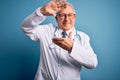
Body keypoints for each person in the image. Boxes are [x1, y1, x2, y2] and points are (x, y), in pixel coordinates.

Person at [21, 0, 98, 80]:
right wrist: (41, 12)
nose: (67, 19)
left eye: (70, 15)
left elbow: (93, 63)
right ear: (56, 18)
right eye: (62, 15)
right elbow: (26, 27)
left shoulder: (83, 37)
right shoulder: (46, 31)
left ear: (74, 17)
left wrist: (73, 48)